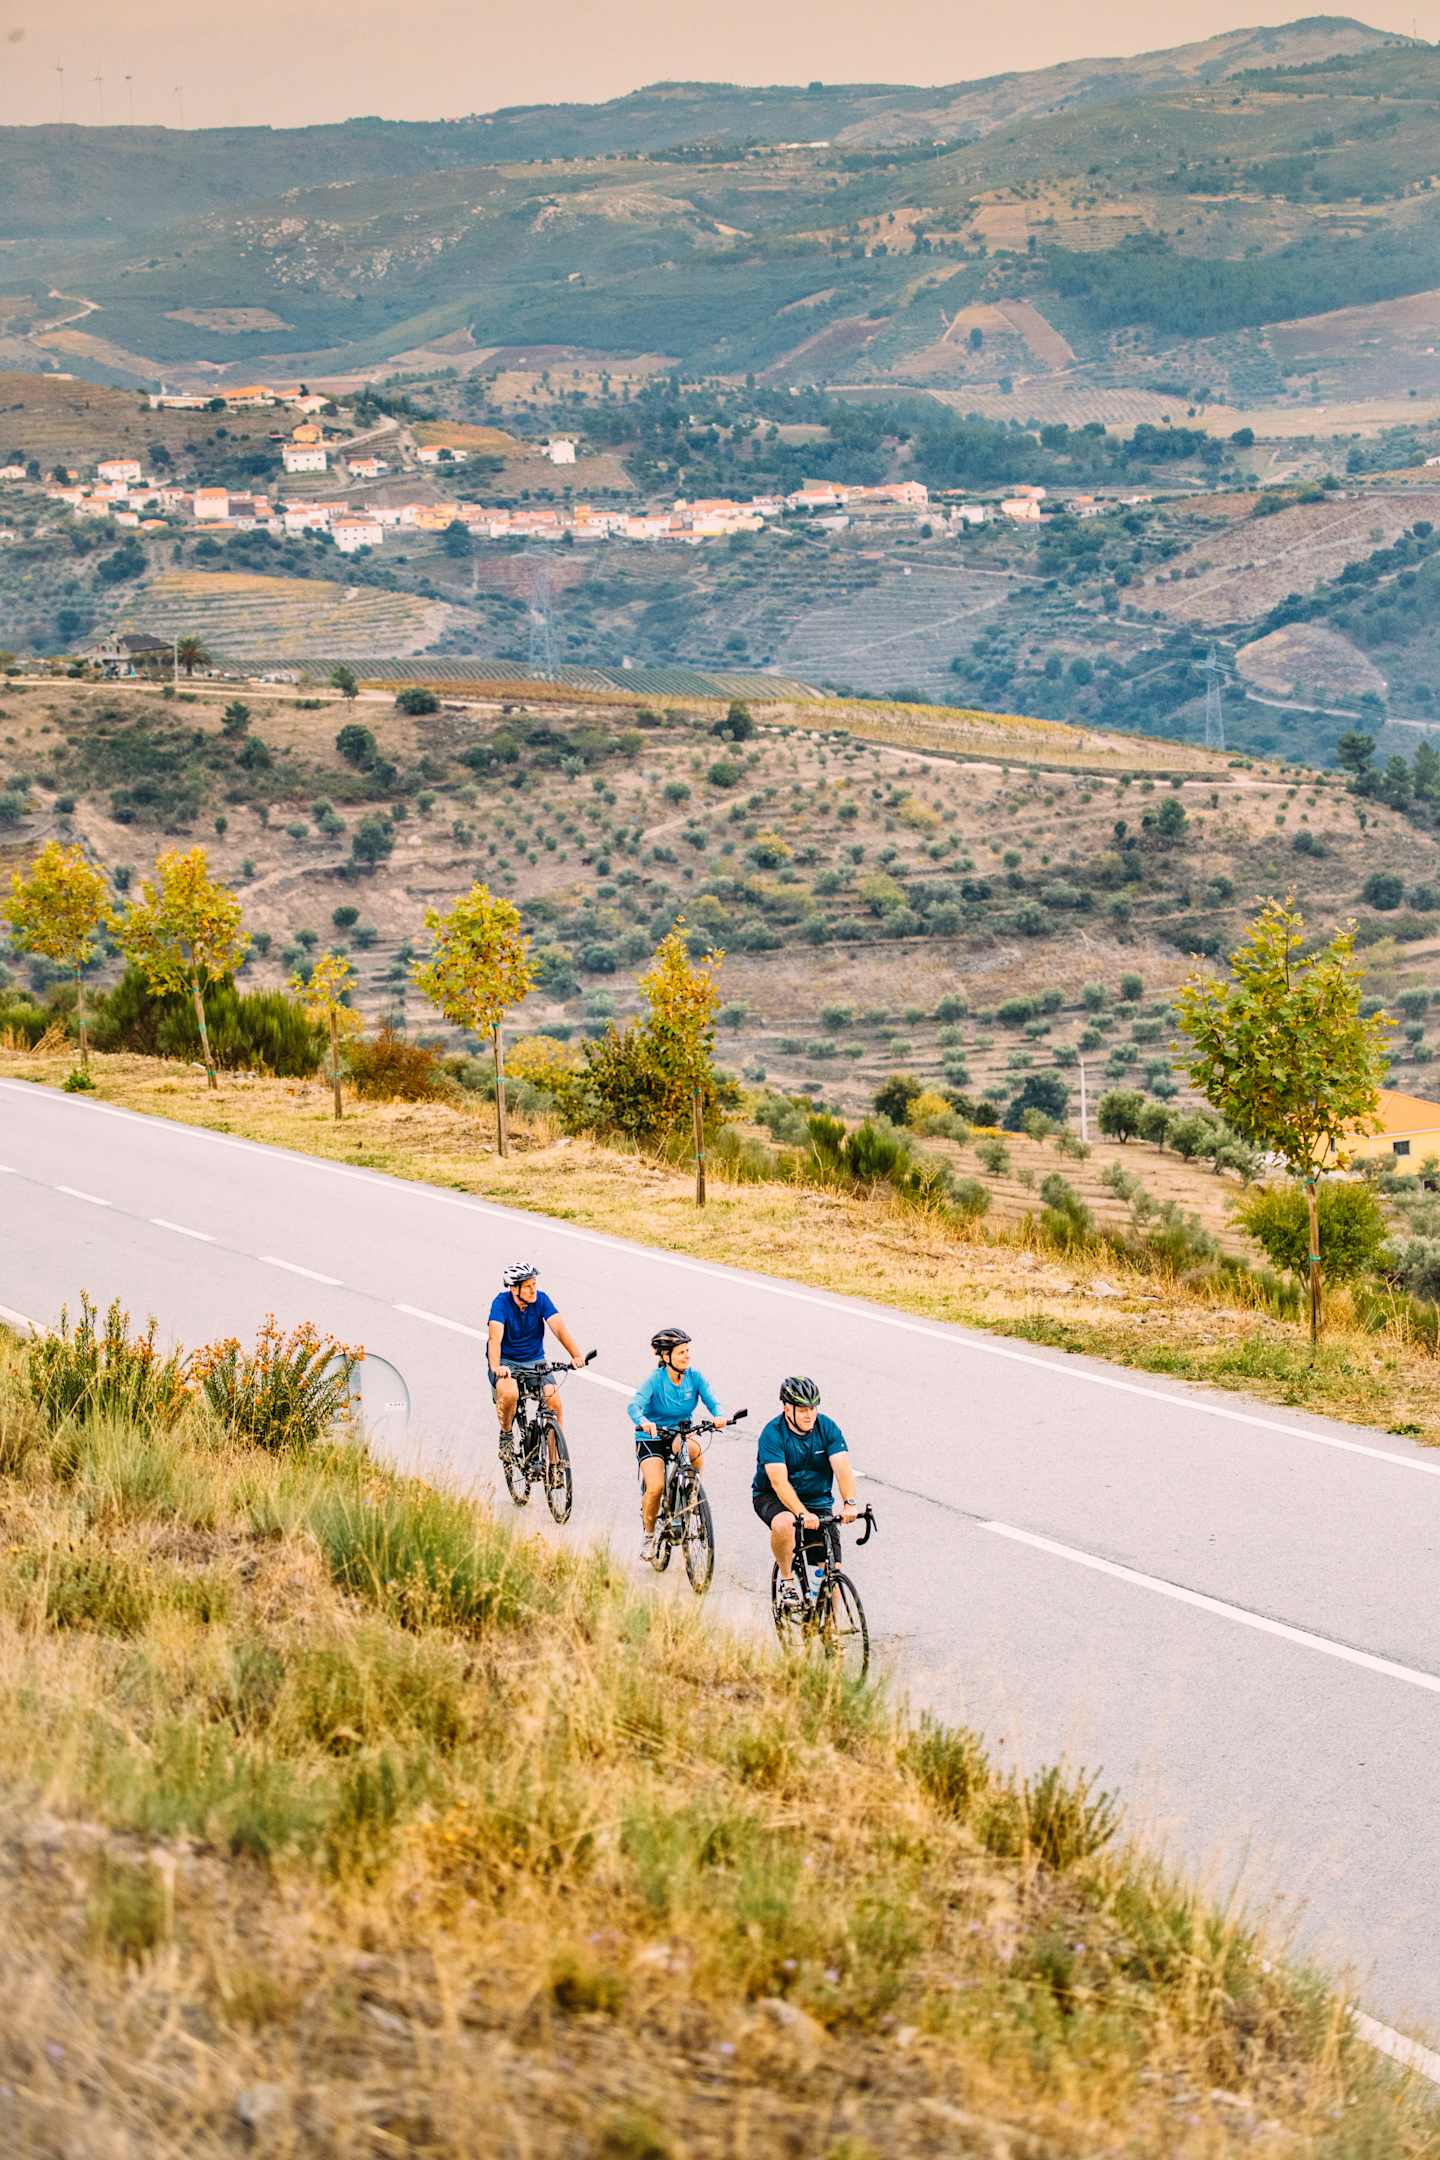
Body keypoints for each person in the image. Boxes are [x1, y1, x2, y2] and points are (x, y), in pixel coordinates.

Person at [752, 1375, 858, 1608]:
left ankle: (830, 1636)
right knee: (785, 1523)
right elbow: (779, 1483)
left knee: (832, 1573)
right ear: (787, 1409)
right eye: (802, 1410)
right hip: (772, 1496)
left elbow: (842, 1468)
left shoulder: (826, 1427)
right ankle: (788, 1580)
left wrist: (849, 1503)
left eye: (812, 1408)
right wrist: (801, 1512)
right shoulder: (773, 1434)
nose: (809, 1415)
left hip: (817, 1499)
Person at [628, 1326, 726, 1563]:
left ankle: (690, 1492)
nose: (686, 1356)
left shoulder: (695, 1377)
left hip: (678, 1433)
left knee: (694, 1449)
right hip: (651, 1437)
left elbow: (713, 1402)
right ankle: (649, 1535)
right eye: (681, 1352)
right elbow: (634, 1406)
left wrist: (719, 1416)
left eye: (687, 1351)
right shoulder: (655, 1380)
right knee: (655, 1487)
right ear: (666, 1357)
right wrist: (643, 1422)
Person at [487, 1262, 587, 1476]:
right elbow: (494, 1338)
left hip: (535, 1360)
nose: (533, 1289)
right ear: (514, 1289)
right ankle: (506, 1436)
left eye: (534, 1284)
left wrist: (576, 1355)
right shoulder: (501, 1303)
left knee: (554, 1400)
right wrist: (496, 1366)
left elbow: (559, 1328)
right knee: (510, 1393)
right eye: (528, 1286)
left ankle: (555, 1464)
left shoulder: (541, 1299)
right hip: (507, 1362)